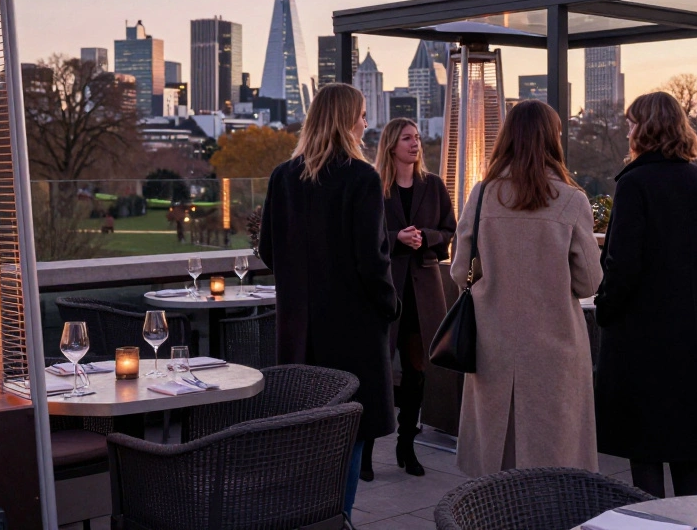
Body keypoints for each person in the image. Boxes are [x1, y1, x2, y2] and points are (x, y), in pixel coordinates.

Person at [258, 83, 400, 519]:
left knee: (307, 430)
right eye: (360, 115)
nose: (365, 123)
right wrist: (388, 306)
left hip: (298, 328)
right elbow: (371, 259)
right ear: (345, 120)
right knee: (351, 430)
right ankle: (337, 520)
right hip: (353, 329)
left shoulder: (284, 176)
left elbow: (267, 248)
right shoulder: (361, 177)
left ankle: (308, 517)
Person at [450, 100, 602, 477]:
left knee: (495, 455)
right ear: (553, 141)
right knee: (555, 455)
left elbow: (459, 270)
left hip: (492, 338)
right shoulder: (571, 200)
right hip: (555, 344)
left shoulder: (482, 194)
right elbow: (589, 282)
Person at [593, 91, 697, 498]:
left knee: (644, 450)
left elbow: (622, 265)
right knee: (690, 453)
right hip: (694, 337)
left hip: (643, 337)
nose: (628, 130)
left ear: (645, 129)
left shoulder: (634, 184)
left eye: (632, 123)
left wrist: (604, 309)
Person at [366, 117, 456, 480]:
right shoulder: (375, 187)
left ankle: (407, 445)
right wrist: (395, 237)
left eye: (417, 137)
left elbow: (450, 230)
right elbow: (365, 236)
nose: (415, 143)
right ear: (391, 145)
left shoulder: (433, 185)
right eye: (407, 138)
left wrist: (426, 237)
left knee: (417, 371)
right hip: (386, 291)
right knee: (378, 371)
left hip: (423, 292)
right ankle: (367, 450)